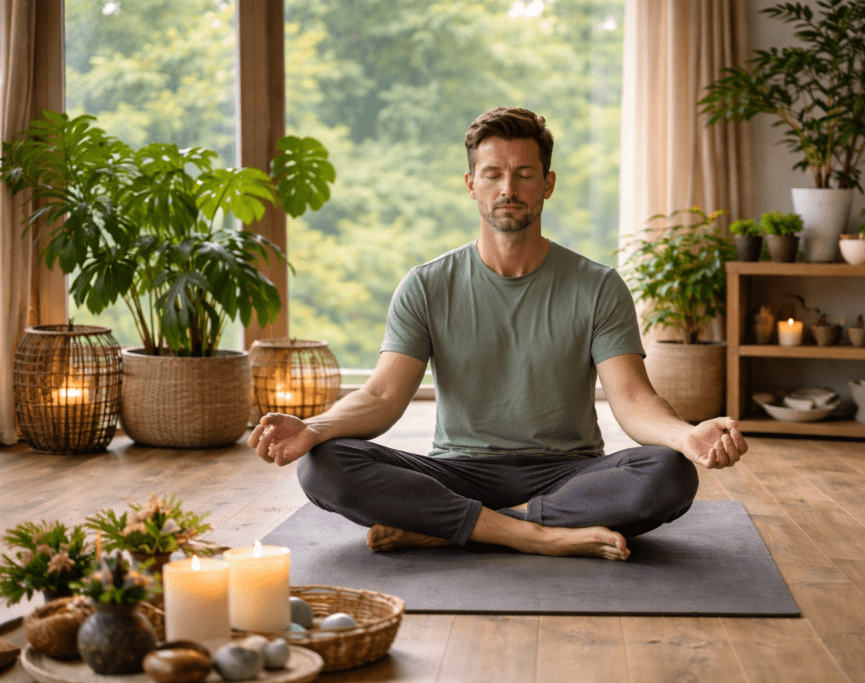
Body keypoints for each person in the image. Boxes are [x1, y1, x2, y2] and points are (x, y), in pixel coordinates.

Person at [249, 107, 748, 561]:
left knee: (670, 474)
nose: (508, 188)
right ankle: (532, 533)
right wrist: (313, 429)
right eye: (493, 175)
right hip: (457, 473)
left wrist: (686, 436)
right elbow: (381, 394)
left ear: (547, 184)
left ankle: (452, 528)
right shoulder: (426, 284)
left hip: (566, 473)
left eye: (524, 174)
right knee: (324, 465)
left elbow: (635, 399)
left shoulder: (597, 286)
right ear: (471, 184)